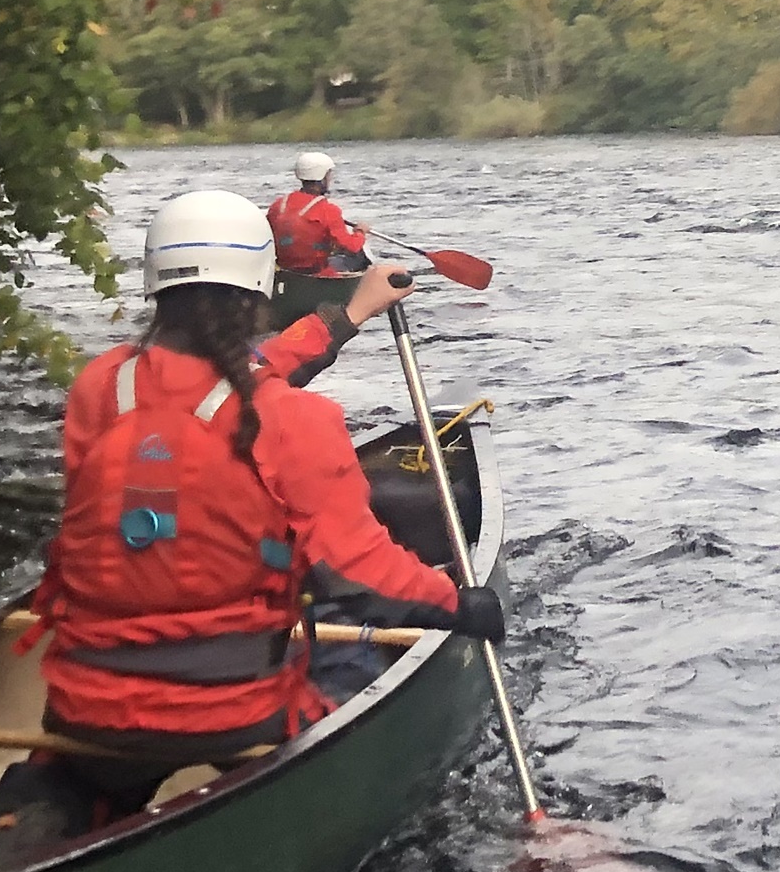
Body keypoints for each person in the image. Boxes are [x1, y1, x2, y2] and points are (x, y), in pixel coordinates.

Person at [26, 188, 503, 810]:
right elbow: (366, 582)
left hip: (83, 704)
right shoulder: (292, 418)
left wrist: (349, 314)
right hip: (239, 712)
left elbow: (227, 379)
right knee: (354, 638)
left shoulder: (104, 385)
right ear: (262, 287)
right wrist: (461, 605)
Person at [266, 150, 370, 328]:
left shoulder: (278, 205)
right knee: (355, 259)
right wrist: (360, 233)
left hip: (286, 275)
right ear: (322, 177)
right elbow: (352, 247)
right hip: (316, 276)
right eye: (329, 175)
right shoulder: (328, 210)